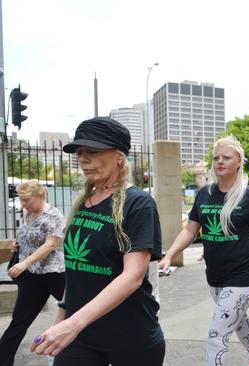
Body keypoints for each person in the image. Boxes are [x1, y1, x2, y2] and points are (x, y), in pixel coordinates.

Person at [31, 117, 165, 365]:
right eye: (80, 152)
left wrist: (72, 324)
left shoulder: (138, 203)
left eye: (92, 151)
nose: (83, 159)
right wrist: (62, 317)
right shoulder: (83, 203)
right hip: (81, 337)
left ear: (119, 156)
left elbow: (133, 276)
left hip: (130, 338)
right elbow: (76, 269)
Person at [159, 134, 249, 366]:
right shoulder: (204, 194)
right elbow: (190, 231)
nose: (220, 161)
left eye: (226, 157)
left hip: (242, 278)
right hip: (215, 278)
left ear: (238, 161)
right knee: (240, 323)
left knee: (217, 334)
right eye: (216, 157)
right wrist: (169, 255)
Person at [0, 181, 66, 366]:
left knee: (76, 311)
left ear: (41, 196)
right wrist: (17, 244)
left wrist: (24, 263)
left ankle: (102, 351)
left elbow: (51, 244)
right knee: (19, 321)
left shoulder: (54, 216)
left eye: (26, 200)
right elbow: (29, 236)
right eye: (21, 200)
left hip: (54, 273)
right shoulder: (29, 212)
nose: (23, 204)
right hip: (32, 276)